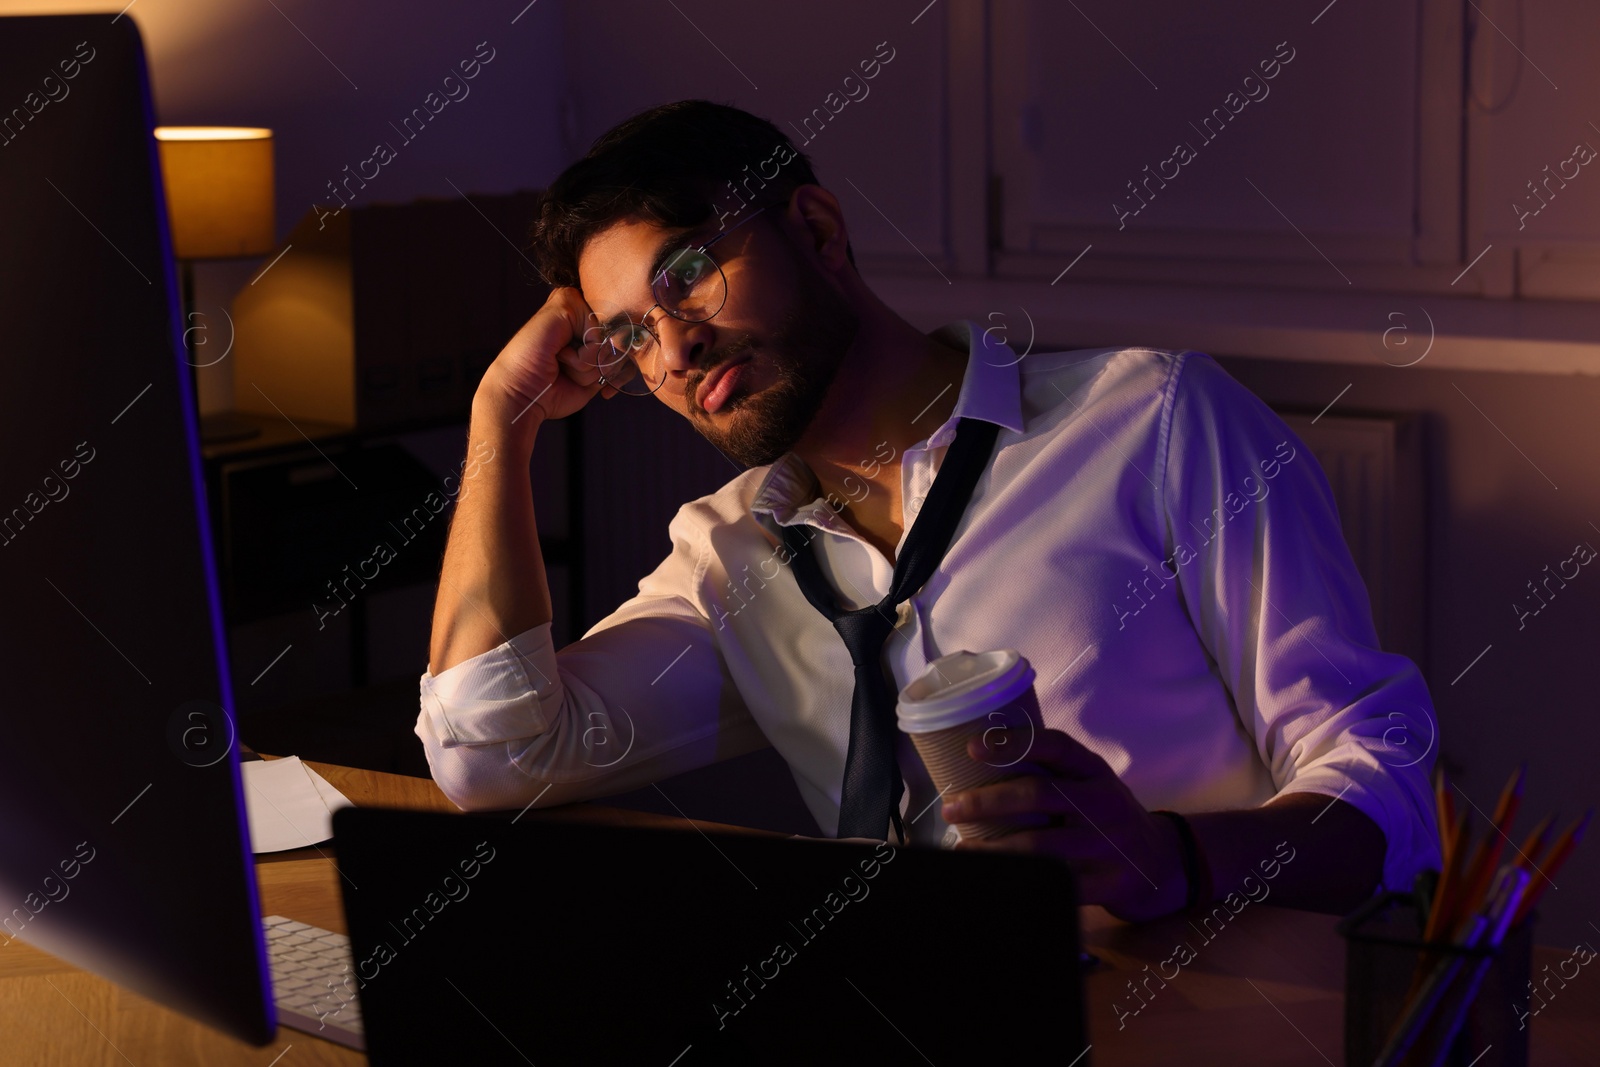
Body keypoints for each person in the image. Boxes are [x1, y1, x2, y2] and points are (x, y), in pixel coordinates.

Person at [417, 99, 1441, 922]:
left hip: (1197, 1008)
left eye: (688, 275)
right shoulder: (726, 555)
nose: (675, 352)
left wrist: (1168, 859)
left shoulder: (1155, 421)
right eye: (630, 336)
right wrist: (497, 420)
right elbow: (491, 752)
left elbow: (1385, 785)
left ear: (815, 229)